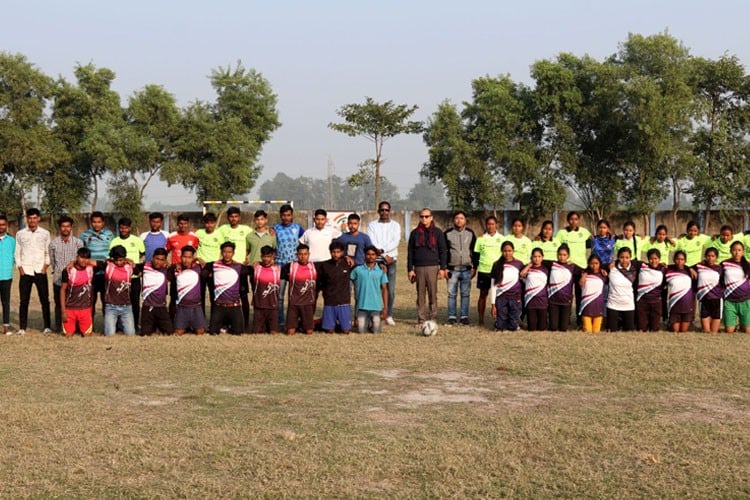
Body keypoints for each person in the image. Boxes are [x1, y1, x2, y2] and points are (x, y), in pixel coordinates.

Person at [407, 208, 448, 325]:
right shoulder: (414, 233)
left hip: (433, 267)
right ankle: (421, 319)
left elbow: (443, 251)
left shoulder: (438, 232)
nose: (424, 219)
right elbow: (410, 253)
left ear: (431, 217)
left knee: (432, 294)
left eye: (426, 216)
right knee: (420, 295)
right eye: (422, 216)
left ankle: (433, 318)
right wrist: (410, 269)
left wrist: (442, 268)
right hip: (418, 267)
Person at [15, 208, 52, 335]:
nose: (32, 220)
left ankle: (47, 326)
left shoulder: (45, 233)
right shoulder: (20, 234)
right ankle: (22, 328)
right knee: (24, 301)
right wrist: (20, 268)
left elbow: (48, 252)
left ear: (38, 219)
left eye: (34, 218)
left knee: (44, 300)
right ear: (27, 219)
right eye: (30, 218)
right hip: (25, 270)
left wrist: (45, 267)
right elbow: (17, 252)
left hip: (40, 270)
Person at [366, 201, 400, 326]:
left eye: (387, 210)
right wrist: (382, 254)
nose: (384, 212)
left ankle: (388, 315)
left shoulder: (395, 225)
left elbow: (395, 241)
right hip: (375, 260)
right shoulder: (372, 225)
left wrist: (385, 252)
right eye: (382, 210)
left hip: (391, 260)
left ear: (390, 211)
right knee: (373, 289)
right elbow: (372, 241)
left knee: (390, 290)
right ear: (378, 211)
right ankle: (373, 314)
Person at [203, 241, 248, 335]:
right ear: (221, 252)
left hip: (234, 306)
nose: (227, 254)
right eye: (224, 252)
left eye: (229, 252)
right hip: (219, 306)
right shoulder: (214, 265)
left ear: (233, 253)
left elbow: (252, 270)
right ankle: (223, 325)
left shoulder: (239, 267)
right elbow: (203, 271)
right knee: (213, 332)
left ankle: (229, 325)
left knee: (238, 332)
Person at [49, 215, 83, 332]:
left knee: (75, 304)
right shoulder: (53, 244)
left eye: (68, 226)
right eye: (63, 226)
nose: (65, 229)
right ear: (59, 227)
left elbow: (81, 260)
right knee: (59, 304)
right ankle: (59, 327)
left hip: (74, 280)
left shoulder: (78, 243)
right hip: (58, 279)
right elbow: (52, 261)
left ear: (71, 227)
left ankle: (77, 327)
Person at [109, 217, 145, 328]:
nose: (123, 230)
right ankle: (119, 325)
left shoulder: (137, 240)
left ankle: (134, 324)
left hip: (133, 277)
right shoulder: (114, 241)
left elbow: (142, 254)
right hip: (119, 278)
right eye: (121, 228)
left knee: (134, 301)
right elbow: (111, 258)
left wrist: (135, 266)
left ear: (130, 228)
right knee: (120, 301)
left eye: (126, 228)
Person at [273, 204, 304, 329]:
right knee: (279, 297)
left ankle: (293, 322)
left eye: (288, 215)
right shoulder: (275, 229)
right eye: (284, 215)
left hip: (294, 266)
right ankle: (280, 322)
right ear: (280, 216)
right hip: (279, 265)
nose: (286, 218)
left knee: (295, 296)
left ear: (292, 216)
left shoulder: (298, 229)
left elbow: (304, 245)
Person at [444, 211, 477, 325]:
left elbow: (475, 251)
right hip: (452, 269)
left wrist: (475, 266)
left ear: (465, 220)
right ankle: (452, 317)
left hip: (466, 269)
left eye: (461, 218)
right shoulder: (448, 233)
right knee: (451, 294)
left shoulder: (470, 233)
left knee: (465, 294)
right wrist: (444, 267)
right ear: (453, 220)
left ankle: (464, 317)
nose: (459, 220)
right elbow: (444, 252)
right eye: (457, 218)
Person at [80, 211, 114, 319]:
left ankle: (107, 326)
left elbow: (113, 253)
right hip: (90, 273)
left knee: (106, 301)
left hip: (105, 273)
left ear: (103, 223)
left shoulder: (109, 235)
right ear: (91, 223)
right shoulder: (85, 235)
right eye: (94, 222)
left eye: (99, 222)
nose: (96, 224)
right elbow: (81, 253)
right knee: (90, 301)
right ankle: (89, 326)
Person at [350, 245, 389, 334]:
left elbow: (384, 289)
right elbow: (349, 280)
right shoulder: (358, 270)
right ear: (364, 255)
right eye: (368, 254)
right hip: (362, 307)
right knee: (361, 331)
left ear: (376, 256)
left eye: (373, 254)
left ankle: (371, 323)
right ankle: (364, 322)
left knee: (376, 332)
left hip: (376, 307)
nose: (370, 256)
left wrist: (385, 308)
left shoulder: (381, 270)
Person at [316, 241, 352, 334]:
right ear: (330, 252)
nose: (336, 254)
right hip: (330, 302)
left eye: (338, 252)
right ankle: (321, 323)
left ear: (342, 252)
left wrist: (381, 265)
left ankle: (340, 323)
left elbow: (364, 262)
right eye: (333, 252)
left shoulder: (348, 264)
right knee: (329, 331)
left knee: (346, 331)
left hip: (344, 301)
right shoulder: (324, 265)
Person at [168, 246, 206, 335]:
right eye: (184, 257)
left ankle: (193, 324)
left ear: (193, 258)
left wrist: (199, 260)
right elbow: (167, 271)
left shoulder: (199, 267)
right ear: (181, 257)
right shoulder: (175, 268)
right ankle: (185, 325)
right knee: (178, 332)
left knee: (200, 332)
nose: (186, 260)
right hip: (181, 307)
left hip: (196, 306)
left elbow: (208, 267)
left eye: (189, 257)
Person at [281, 244, 317, 335]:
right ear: (297, 255)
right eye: (300, 254)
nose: (303, 256)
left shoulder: (315, 266)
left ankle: (312, 324)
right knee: (290, 332)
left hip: (308, 303)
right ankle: (296, 325)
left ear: (309, 254)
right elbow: (275, 270)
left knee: (309, 332)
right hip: (294, 303)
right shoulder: (290, 266)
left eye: (305, 254)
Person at [474, 216, 503, 327]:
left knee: (498, 296)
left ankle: (498, 319)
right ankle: (481, 320)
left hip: (497, 271)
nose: (490, 226)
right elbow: (476, 255)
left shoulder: (502, 239)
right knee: (483, 295)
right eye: (488, 224)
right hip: (484, 271)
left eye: (493, 224)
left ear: (496, 225)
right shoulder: (480, 239)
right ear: (486, 226)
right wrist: (475, 268)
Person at [101, 245, 136, 336]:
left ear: (125, 258)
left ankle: (121, 324)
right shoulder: (108, 266)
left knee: (131, 334)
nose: (118, 262)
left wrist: (130, 261)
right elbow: (89, 262)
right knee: (109, 335)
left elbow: (142, 270)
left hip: (126, 307)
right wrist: (72, 262)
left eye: (121, 260)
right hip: (111, 306)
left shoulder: (130, 267)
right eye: (116, 260)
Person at [136, 248, 173, 335]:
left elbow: (182, 266)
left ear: (165, 261)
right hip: (147, 306)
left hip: (161, 307)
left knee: (169, 332)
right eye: (157, 258)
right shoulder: (145, 266)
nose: (158, 262)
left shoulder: (167, 269)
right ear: (152, 258)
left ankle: (157, 324)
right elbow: (132, 266)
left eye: (161, 260)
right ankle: (153, 325)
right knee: (145, 333)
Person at [60, 247, 95, 337]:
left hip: (85, 309)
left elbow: (108, 262)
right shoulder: (68, 270)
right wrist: (63, 311)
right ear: (77, 257)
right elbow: (63, 290)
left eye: (87, 258)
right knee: (68, 335)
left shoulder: (91, 268)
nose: (84, 260)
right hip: (70, 309)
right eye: (82, 257)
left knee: (87, 335)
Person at [489, 241, 524, 331]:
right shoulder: (496, 264)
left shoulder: (519, 264)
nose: (507, 253)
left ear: (513, 251)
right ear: (501, 251)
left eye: (509, 251)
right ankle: (500, 321)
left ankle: (515, 321)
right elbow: (493, 285)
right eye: (505, 251)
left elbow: (524, 279)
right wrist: (493, 305)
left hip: (515, 297)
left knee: (512, 327)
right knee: (500, 327)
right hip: (501, 297)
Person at [548, 244, 580, 332]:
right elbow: (538, 261)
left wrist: (584, 274)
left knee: (563, 328)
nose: (562, 257)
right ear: (557, 255)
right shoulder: (552, 265)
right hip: (553, 301)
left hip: (566, 301)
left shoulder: (573, 267)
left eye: (564, 255)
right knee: (553, 328)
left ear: (568, 256)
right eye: (560, 255)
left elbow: (586, 270)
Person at [195, 212, 223, 314]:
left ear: (215, 223)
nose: (209, 225)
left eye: (211, 223)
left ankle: (214, 321)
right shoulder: (199, 233)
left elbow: (224, 250)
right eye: (207, 223)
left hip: (214, 267)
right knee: (200, 295)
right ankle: (201, 320)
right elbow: (193, 247)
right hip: (201, 267)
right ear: (204, 223)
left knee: (214, 295)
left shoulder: (219, 234)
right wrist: (197, 258)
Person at [720, 241, 750, 333]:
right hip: (730, 301)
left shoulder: (748, 265)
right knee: (729, 331)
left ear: (743, 251)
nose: (737, 253)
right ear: (730, 251)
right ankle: (734, 325)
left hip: (746, 300)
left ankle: (743, 324)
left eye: (739, 250)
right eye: (734, 250)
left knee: (747, 331)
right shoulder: (724, 264)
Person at [250, 245, 281, 334]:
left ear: (273, 256)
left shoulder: (278, 269)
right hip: (259, 306)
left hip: (273, 306)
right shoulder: (256, 268)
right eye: (264, 256)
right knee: (256, 333)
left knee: (273, 333)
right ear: (261, 256)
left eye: (269, 256)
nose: (266, 259)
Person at [606, 247, 638, 332]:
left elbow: (651, 264)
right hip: (613, 305)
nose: (624, 260)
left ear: (630, 257)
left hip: (628, 305)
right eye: (621, 257)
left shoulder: (635, 268)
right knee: (612, 331)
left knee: (629, 332)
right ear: (618, 257)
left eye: (627, 257)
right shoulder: (611, 267)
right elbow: (596, 266)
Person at [635, 249, 666, 332]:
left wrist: (689, 269)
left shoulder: (663, 269)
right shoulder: (642, 266)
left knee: (654, 329)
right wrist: (614, 263)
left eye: (656, 258)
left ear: (659, 259)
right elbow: (627, 261)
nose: (653, 261)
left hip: (656, 302)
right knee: (641, 329)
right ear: (648, 259)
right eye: (651, 259)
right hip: (642, 302)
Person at [666, 250, 696, 333]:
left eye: (682, 259)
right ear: (674, 260)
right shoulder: (668, 270)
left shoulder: (690, 272)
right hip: (674, 305)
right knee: (675, 330)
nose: (680, 261)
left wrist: (689, 268)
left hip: (687, 306)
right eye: (677, 259)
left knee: (683, 331)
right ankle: (669, 323)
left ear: (685, 261)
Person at [519, 248, 549, 331]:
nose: (537, 258)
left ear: (542, 257)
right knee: (532, 328)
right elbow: (521, 274)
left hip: (542, 300)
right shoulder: (528, 268)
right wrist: (529, 265)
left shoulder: (546, 269)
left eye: (539, 256)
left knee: (541, 328)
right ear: (531, 258)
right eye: (534, 256)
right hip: (530, 300)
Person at [694, 247, 722, 333]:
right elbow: (686, 268)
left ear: (716, 257)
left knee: (714, 331)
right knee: (706, 331)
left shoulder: (720, 268)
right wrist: (691, 269)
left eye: (713, 256)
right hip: (704, 299)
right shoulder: (699, 266)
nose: (710, 258)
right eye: (708, 256)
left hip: (717, 299)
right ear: (705, 256)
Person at [578, 255, 607, 333]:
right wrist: (584, 276)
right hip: (586, 307)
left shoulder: (603, 274)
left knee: (596, 331)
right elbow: (580, 284)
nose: (594, 266)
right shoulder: (583, 273)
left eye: (596, 263)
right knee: (588, 331)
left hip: (599, 307)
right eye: (591, 263)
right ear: (588, 264)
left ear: (600, 264)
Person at [0, 215, 15, 335]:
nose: (1, 227)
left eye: (3, 224)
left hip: (6, 276)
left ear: (7, 226)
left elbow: (15, 257)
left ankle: (6, 327)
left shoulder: (12, 241)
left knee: (6, 302)